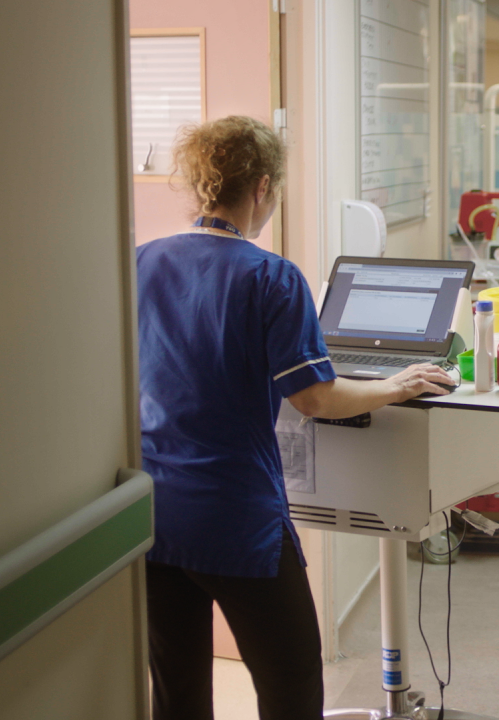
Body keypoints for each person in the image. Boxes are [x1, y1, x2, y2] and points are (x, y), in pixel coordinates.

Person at [137, 115, 454, 720]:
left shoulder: (141, 261)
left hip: (153, 514)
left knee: (176, 690)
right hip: (235, 516)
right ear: (261, 187)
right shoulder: (270, 276)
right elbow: (316, 399)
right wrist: (394, 385)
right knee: (291, 683)